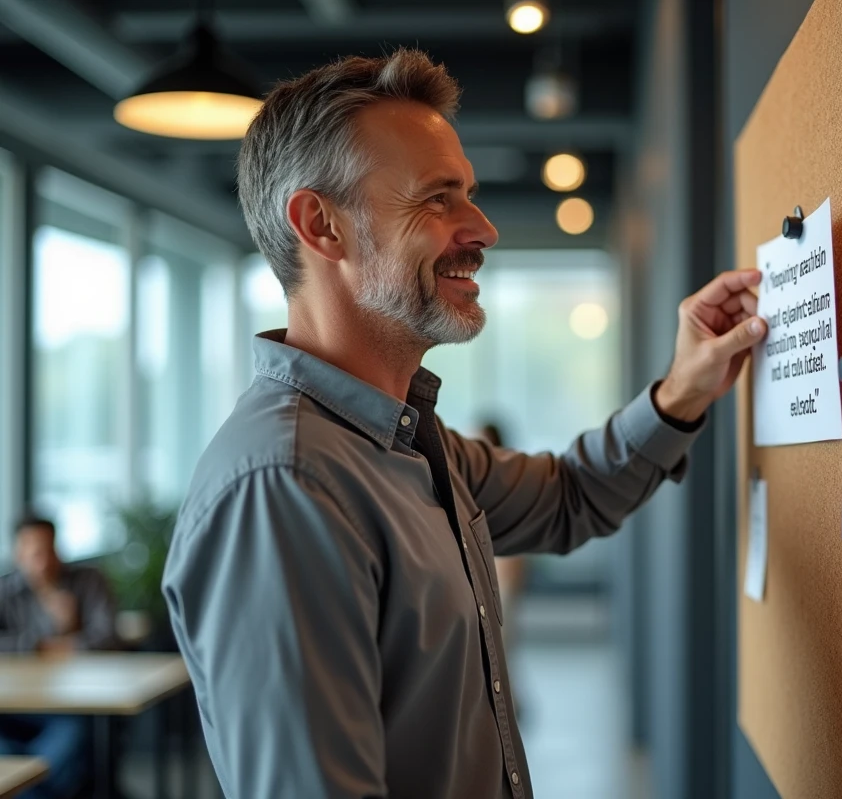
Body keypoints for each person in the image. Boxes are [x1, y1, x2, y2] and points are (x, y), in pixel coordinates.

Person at [162, 47, 766, 799]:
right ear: (322, 226)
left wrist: (681, 392)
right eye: (437, 198)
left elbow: (570, 497)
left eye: (469, 195)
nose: (482, 228)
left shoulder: (408, 440)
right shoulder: (285, 485)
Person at [0, 515, 119, 799]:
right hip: (14, 704)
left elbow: (109, 637)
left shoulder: (88, 580)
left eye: (49, 550)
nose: (43, 562)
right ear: (18, 554)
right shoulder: (5, 591)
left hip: (71, 704)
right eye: (34, 553)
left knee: (71, 737)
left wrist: (73, 627)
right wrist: (41, 644)